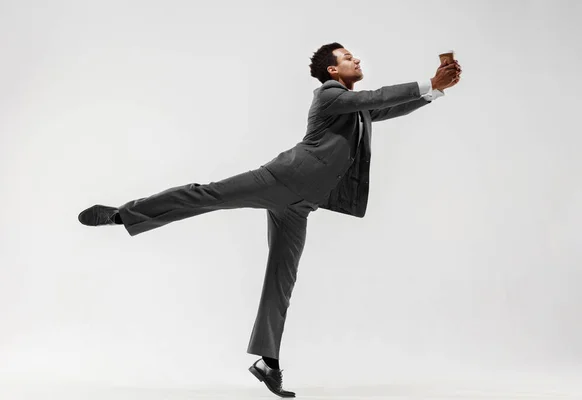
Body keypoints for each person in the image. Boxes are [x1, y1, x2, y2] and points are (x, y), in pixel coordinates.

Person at [78, 42, 461, 398]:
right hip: (278, 180)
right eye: (348, 56)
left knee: (282, 278)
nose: (356, 60)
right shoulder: (330, 95)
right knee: (204, 194)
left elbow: (386, 107)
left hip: (301, 205)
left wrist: (436, 90)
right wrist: (428, 81)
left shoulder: (354, 107)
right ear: (333, 69)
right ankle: (121, 214)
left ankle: (267, 361)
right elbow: (376, 97)